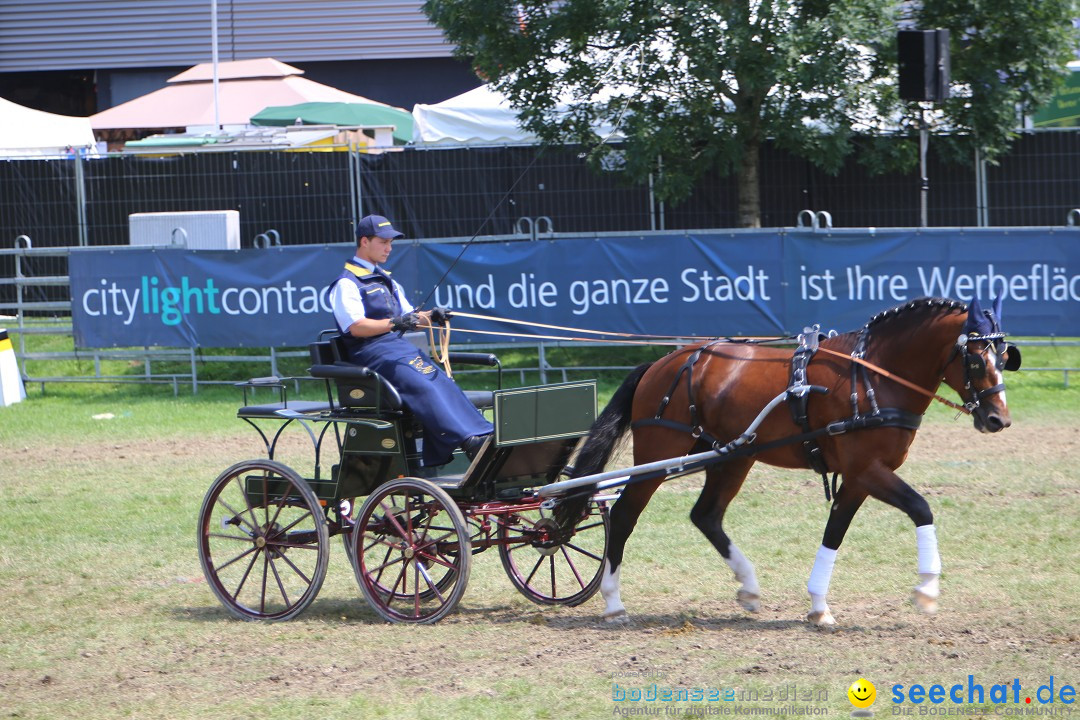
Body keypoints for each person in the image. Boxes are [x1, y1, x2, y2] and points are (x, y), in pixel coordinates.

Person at [328, 214, 493, 466]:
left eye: (390, 242)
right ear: (364, 241)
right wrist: (394, 323)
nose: (389, 248)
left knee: (441, 381)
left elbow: (411, 318)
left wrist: (432, 316)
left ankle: (482, 434)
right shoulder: (347, 284)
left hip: (397, 350)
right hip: (371, 354)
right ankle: (468, 440)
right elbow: (356, 327)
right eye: (383, 242)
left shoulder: (387, 281)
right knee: (425, 386)